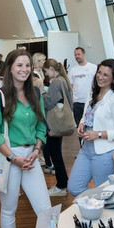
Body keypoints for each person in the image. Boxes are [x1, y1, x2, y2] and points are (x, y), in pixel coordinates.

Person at [0, 49, 52, 228]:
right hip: (9, 157)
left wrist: (37, 151)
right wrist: (13, 158)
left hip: (31, 156)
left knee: (45, 209)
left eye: (27, 65)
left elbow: (41, 125)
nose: (24, 69)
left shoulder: (35, 93)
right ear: (10, 69)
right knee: (9, 209)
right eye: (19, 65)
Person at [67, 59, 114, 196]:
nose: (100, 77)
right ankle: (105, 199)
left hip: (104, 153)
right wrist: (82, 123)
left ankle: (106, 204)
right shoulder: (92, 93)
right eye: (99, 73)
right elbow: (86, 114)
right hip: (86, 149)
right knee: (74, 187)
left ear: (113, 79)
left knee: (103, 192)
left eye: (106, 75)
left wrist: (98, 134)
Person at [42, 58, 74, 196]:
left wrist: (41, 94)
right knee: (57, 153)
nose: (46, 74)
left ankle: (61, 185)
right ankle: (63, 182)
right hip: (61, 123)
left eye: (46, 71)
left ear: (50, 68)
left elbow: (48, 103)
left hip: (54, 124)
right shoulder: (64, 80)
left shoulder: (55, 82)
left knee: (55, 154)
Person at [68, 47, 97, 126]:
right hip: (77, 103)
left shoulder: (93, 68)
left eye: (79, 54)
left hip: (90, 101)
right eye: (75, 55)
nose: (77, 56)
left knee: (90, 124)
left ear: (84, 55)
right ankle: (80, 139)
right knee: (78, 125)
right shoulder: (73, 70)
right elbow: (71, 86)